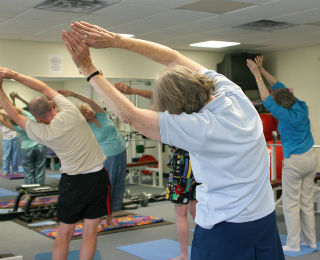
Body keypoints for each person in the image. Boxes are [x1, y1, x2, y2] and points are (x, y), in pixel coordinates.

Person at [61, 21, 284, 260]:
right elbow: (172, 57)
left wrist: (88, 69)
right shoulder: (233, 94)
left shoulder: (201, 128)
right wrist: (117, 40)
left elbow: (130, 116)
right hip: (264, 220)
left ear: (181, 109)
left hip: (227, 229)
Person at [0, 69, 110, 260]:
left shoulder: (42, 132)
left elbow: (15, 116)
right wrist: (14, 75)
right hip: (97, 178)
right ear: (52, 106)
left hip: (73, 184)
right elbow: (43, 87)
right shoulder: (71, 111)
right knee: (90, 232)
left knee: (65, 233)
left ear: (39, 118)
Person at [114, 82, 197, 260]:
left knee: (181, 213)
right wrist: (133, 91)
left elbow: (134, 114)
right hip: (197, 162)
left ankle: (184, 255)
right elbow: (153, 97)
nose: (152, 105)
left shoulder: (163, 120)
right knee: (196, 211)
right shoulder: (186, 112)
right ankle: (204, 251)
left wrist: (128, 98)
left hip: (181, 165)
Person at [247, 55, 319, 252]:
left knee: (290, 204)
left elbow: (265, 98)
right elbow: (279, 86)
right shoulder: (301, 106)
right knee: (306, 201)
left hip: (295, 162)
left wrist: (256, 74)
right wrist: (262, 70)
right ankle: (310, 241)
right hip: (311, 159)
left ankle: (294, 244)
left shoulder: (283, 115)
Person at [58, 89, 127, 212]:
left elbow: (91, 102)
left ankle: (116, 207)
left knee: (120, 180)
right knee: (108, 182)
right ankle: (105, 209)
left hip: (121, 151)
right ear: (82, 117)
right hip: (107, 156)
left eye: (88, 109)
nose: (89, 111)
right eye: (85, 112)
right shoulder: (85, 126)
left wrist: (74, 94)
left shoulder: (101, 115)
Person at [9, 93, 47, 185]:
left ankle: (30, 193)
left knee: (28, 172)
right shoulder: (31, 119)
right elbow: (30, 108)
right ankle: (39, 191)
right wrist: (18, 98)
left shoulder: (15, 125)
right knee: (40, 170)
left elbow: (14, 114)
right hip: (39, 146)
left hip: (26, 148)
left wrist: (13, 102)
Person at [0, 109, 19, 176]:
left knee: (15, 155)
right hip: (6, 138)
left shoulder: (6, 111)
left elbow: (13, 118)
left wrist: (6, 114)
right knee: (6, 155)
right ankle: (5, 170)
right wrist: (3, 115)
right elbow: (2, 120)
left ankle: (15, 170)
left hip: (14, 136)